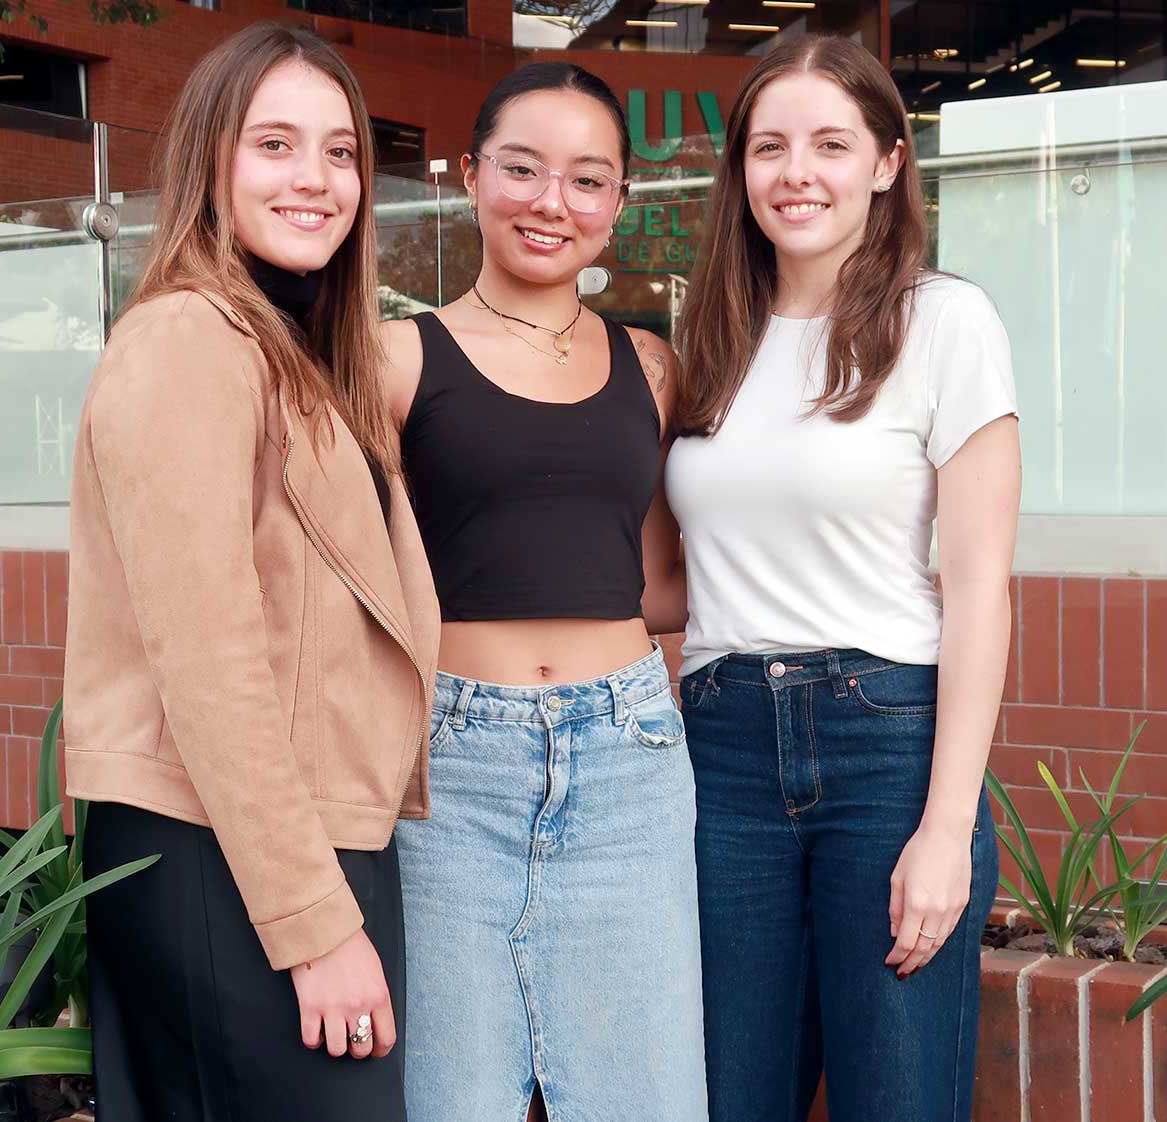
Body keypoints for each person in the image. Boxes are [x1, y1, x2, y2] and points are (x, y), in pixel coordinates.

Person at [63, 23, 438, 1121]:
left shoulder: (297, 351)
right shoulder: (190, 338)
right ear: (210, 162)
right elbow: (208, 657)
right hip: (228, 853)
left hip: (281, 844)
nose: (315, 180)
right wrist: (313, 922)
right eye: (275, 145)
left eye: (339, 151)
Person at [665, 33, 1022, 1122]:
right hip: (720, 750)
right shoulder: (709, 336)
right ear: (741, 172)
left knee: (896, 1099)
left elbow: (979, 589)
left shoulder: (944, 321)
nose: (795, 172)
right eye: (769, 147)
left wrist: (944, 827)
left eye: (830, 143)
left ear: (886, 161)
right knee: (729, 1099)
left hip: (885, 748)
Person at [381, 62, 709, 1122]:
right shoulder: (391, 358)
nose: (549, 202)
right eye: (521, 169)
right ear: (471, 177)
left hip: (628, 767)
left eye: (586, 179)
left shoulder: (650, 367)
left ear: (616, 205)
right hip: (446, 771)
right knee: (450, 1099)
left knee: (643, 1099)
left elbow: (660, 580)